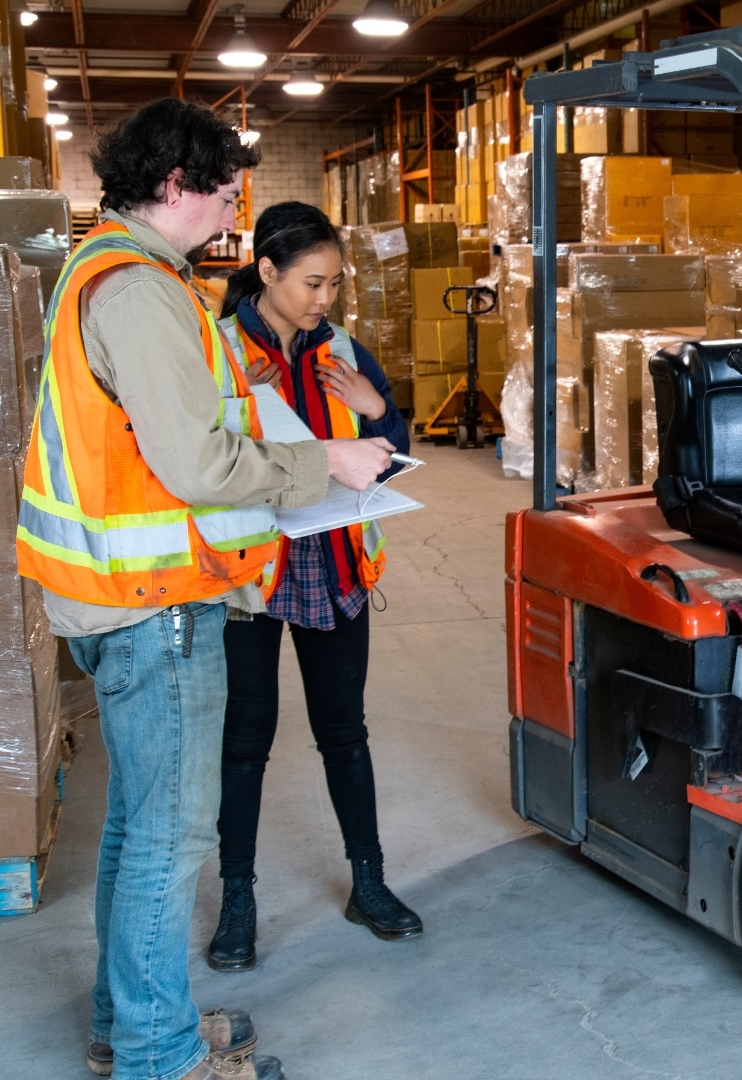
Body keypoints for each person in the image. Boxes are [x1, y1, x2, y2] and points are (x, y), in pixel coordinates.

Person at [15, 99, 393, 1080]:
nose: (233, 212)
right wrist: (325, 467)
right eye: (226, 193)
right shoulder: (138, 289)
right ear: (176, 185)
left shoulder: (116, 270)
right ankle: (159, 1056)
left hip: (121, 596)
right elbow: (194, 463)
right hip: (153, 606)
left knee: (141, 829)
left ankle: (129, 1021)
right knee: (169, 843)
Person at [204, 202, 423, 974]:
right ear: (266, 272)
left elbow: (388, 456)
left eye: (333, 284)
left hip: (332, 566)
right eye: (310, 283)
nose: (323, 299)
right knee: (244, 744)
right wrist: (235, 405)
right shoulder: (218, 349)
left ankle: (369, 881)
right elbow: (193, 463)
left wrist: (380, 411)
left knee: (344, 732)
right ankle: (238, 900)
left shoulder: (344, 351)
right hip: (252, 576)